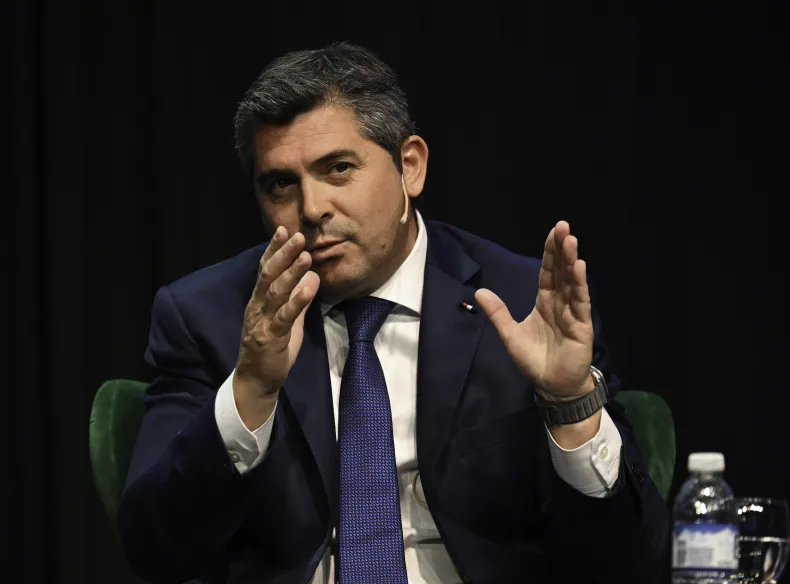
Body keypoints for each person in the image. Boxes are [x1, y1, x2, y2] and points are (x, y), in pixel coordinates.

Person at [118, 42, 669, 584]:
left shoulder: (523, 301)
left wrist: (571, 404)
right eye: (281, 184)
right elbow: (156, 551)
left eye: (338, 168)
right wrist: (251, 391)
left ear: (410, 167)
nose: (311, 208)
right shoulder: (208, 316)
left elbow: (629, 562)